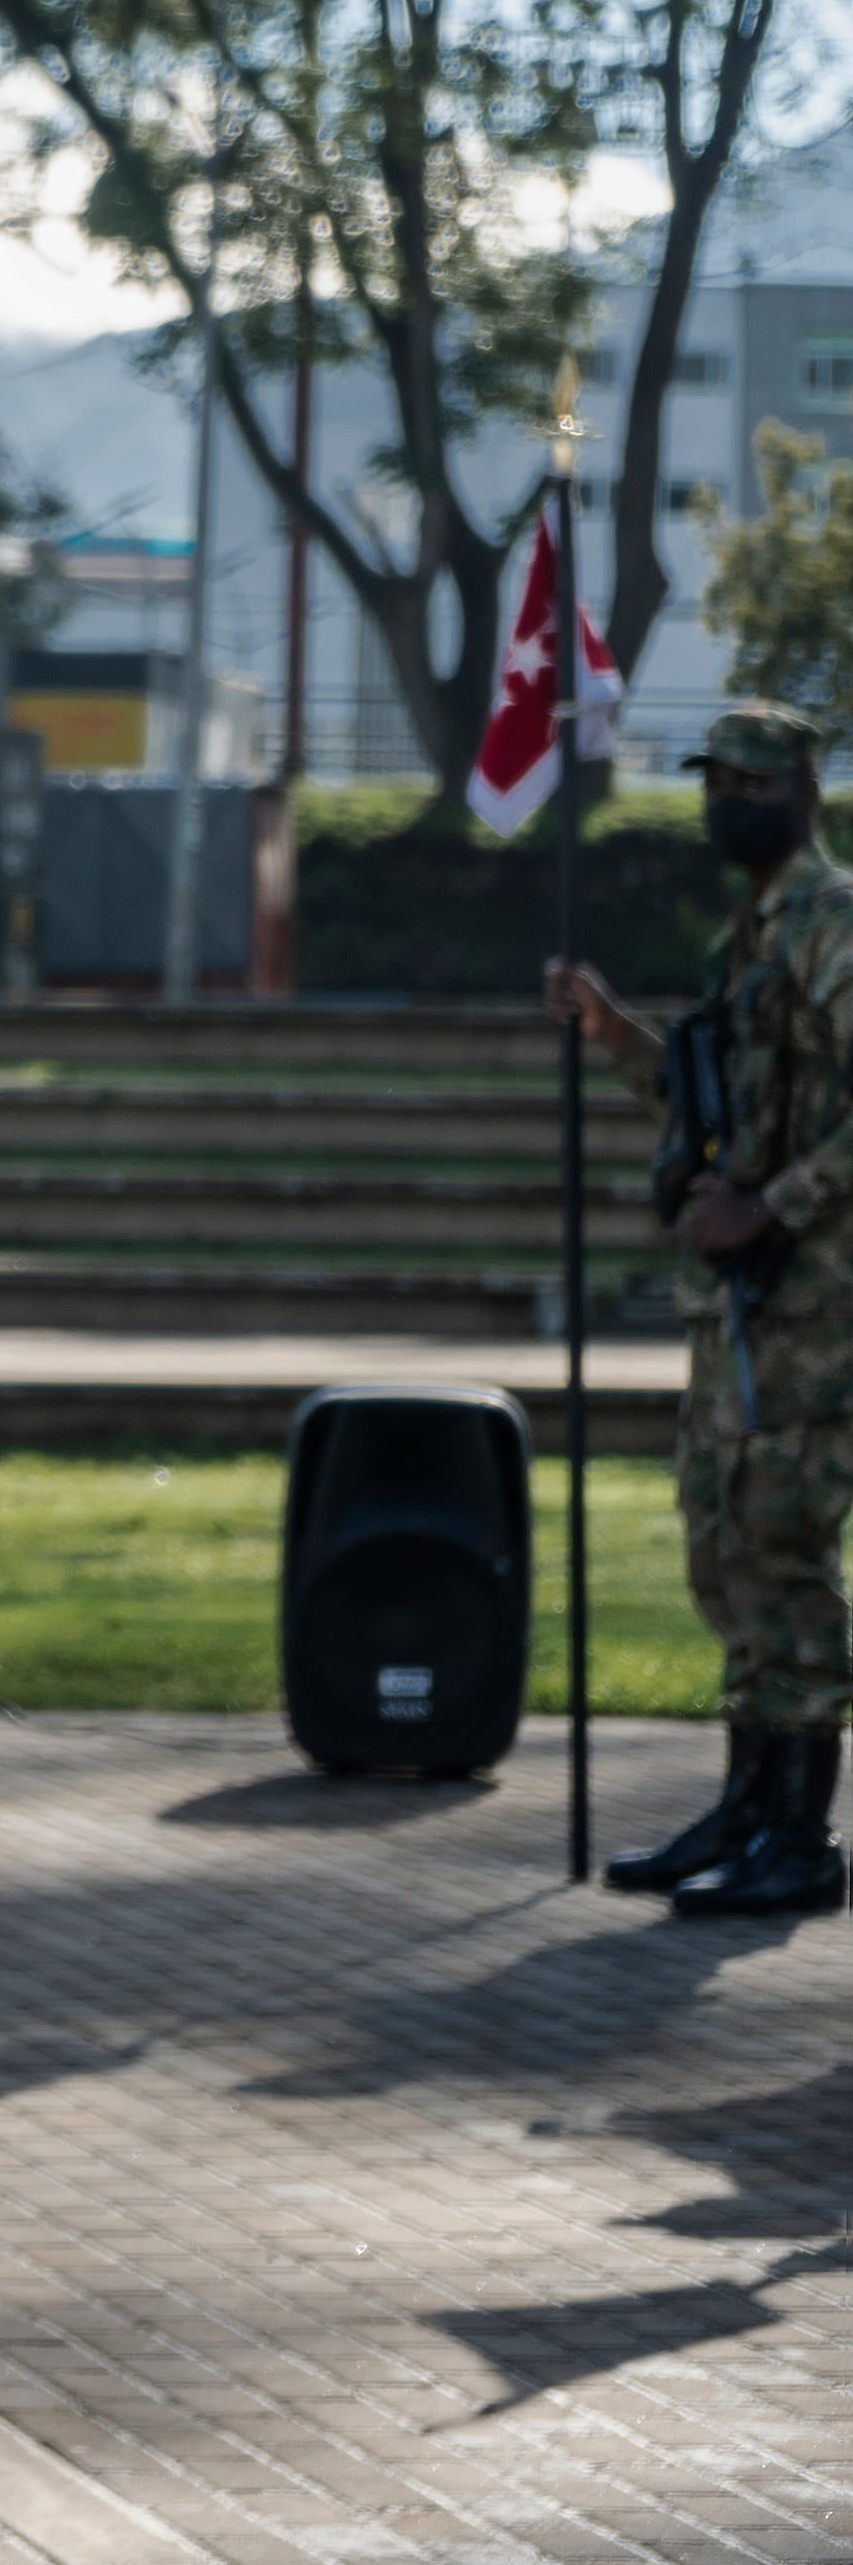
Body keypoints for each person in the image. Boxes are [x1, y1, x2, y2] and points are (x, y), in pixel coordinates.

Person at [549, 697, 853, 1918]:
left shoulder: (831, 921)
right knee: (720, 1549)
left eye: (751, 783)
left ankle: (800, 1834)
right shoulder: (747, 933)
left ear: (803, 793)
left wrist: (771, 1205)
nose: (726, 803)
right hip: (737, 1305)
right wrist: (611, 1031)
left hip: (810, 1308)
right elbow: (713, 1099)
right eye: (713, 782)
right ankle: (743, 1806)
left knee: (782, 1554)